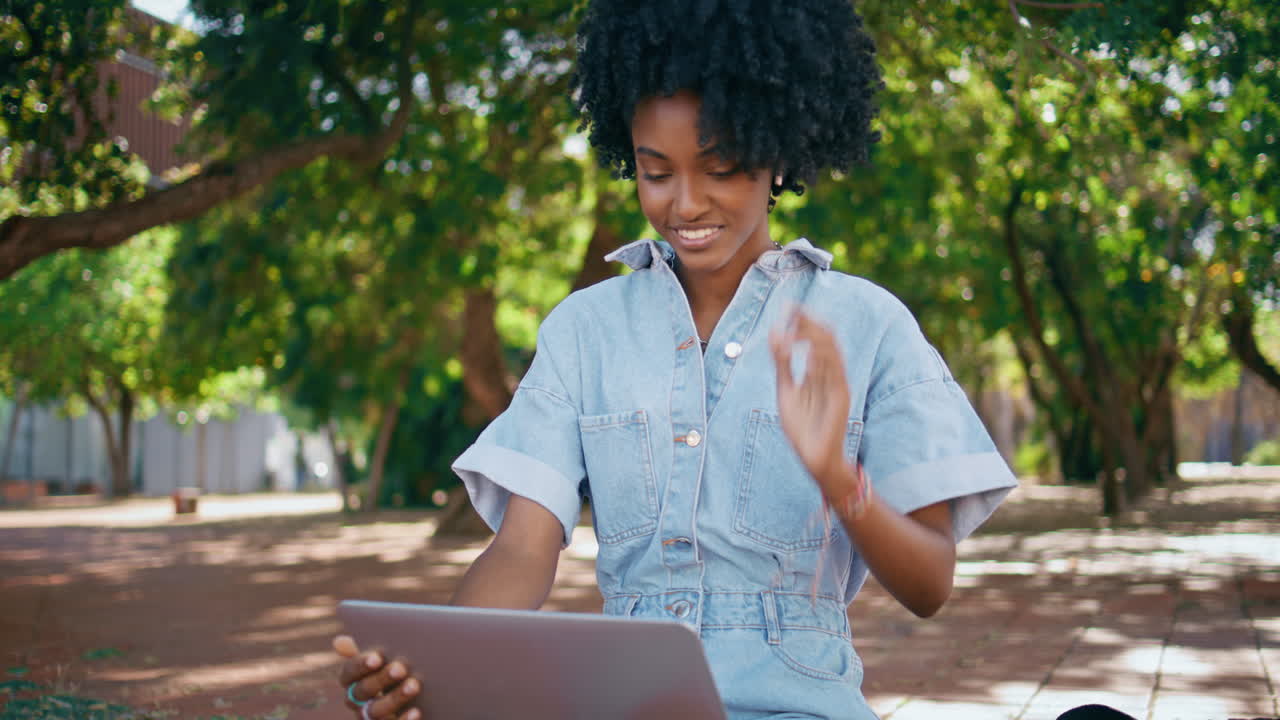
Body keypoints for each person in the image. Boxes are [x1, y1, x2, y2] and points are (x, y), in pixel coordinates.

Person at [334, 1, 1017, 718]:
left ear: (776, 152)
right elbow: (522, 551)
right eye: (656, 173)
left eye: (719, 167)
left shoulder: (866, 325)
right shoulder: (585, 330)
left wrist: (837, 478)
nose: (685, 204)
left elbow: (930, 583)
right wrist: (440, 673)